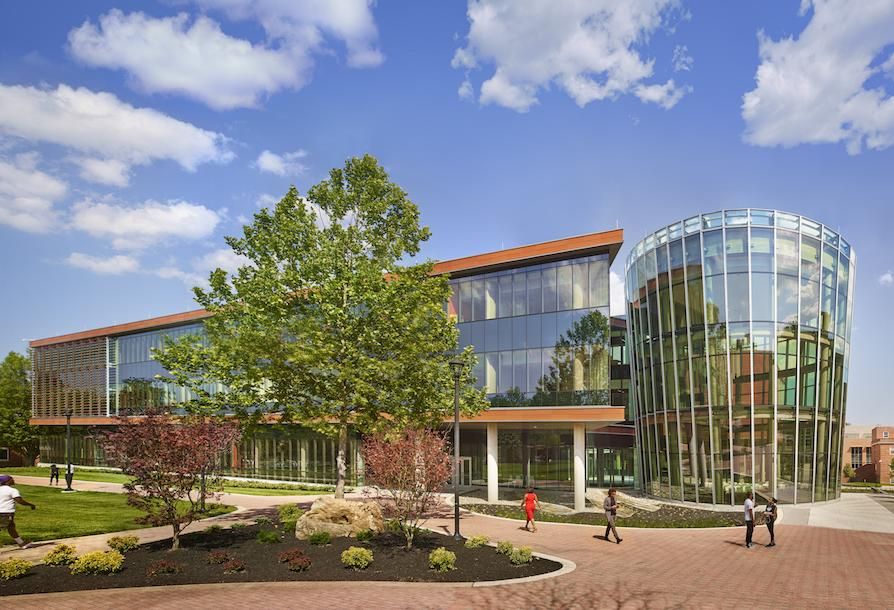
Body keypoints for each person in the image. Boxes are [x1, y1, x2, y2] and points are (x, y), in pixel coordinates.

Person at [0, 475, 36, 549]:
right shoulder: (12, 490)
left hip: (3, 512)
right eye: (11, 479)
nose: (13, 480)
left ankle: (22, 543)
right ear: (7, 481)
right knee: (7, 527)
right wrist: (31, 505)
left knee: (11, 527)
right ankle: (22, 544)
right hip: (6, 513)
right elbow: (20, 501)